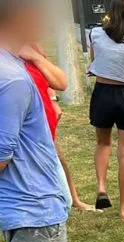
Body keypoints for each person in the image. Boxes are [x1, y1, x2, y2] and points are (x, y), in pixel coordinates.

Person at [1, 0, 104, 242]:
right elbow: (1, 153)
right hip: (30, 205)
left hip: (43, 197)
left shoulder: (16, 63)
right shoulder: (10, 77)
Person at [18, 44, 95, 212]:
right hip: (21, 129)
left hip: (42, 124)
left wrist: (53, 100)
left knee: (58, 159)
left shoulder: (29, 46)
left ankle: (74, 199)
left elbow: (58, 81)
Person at [89, 0, 124, 219]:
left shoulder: (95, 33)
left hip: (102, 91)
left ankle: (101, 188)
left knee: (103, 143)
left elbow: (95, 62)